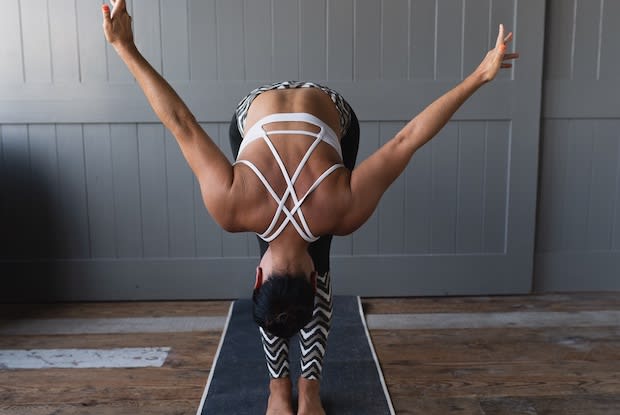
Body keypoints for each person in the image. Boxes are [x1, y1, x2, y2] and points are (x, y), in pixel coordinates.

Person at [102, 1, 518, 414]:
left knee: (281, 231)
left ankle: (298, 392)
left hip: (297, 108)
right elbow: (180, 121)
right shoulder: (236, 207)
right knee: (277, 238)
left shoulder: (335, 209)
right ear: (259, 277)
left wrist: (481, 75)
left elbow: (406, 139)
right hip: (295, 108)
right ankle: (286, 392)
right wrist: (125, 46)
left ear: (310, 277)